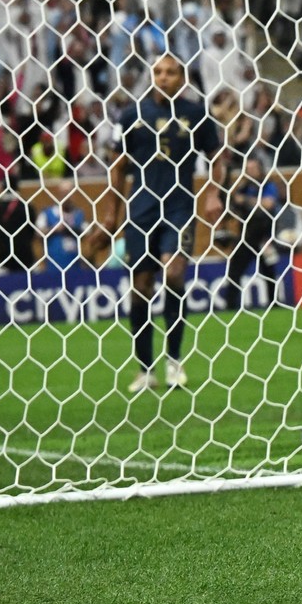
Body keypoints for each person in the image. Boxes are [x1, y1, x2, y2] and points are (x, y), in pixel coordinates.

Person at [103, 54, 226, 393]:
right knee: (140, 286)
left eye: (171, 72)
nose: (163, 77)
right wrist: (111, 212)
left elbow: (217, 157)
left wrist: (213, 193)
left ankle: (174, 361)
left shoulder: (197, 113)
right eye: (158, 72)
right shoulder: (131, 115)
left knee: (173, 273)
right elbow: (117, 166)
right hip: (140, 210)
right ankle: (145, 369)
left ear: (182, 77)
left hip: (179, 207)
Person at [216, 156, 283, 311]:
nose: (250, 171)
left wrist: (245, 200)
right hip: (246, 237)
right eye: (247, 169)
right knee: (234, 272)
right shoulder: (244, 187)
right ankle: (230, 306)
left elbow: (269, 203)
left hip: (264, 236)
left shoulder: (268, 185)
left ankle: (274, 303)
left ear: (260, 170)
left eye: (253, 168)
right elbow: (232, 207)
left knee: (268, 271)